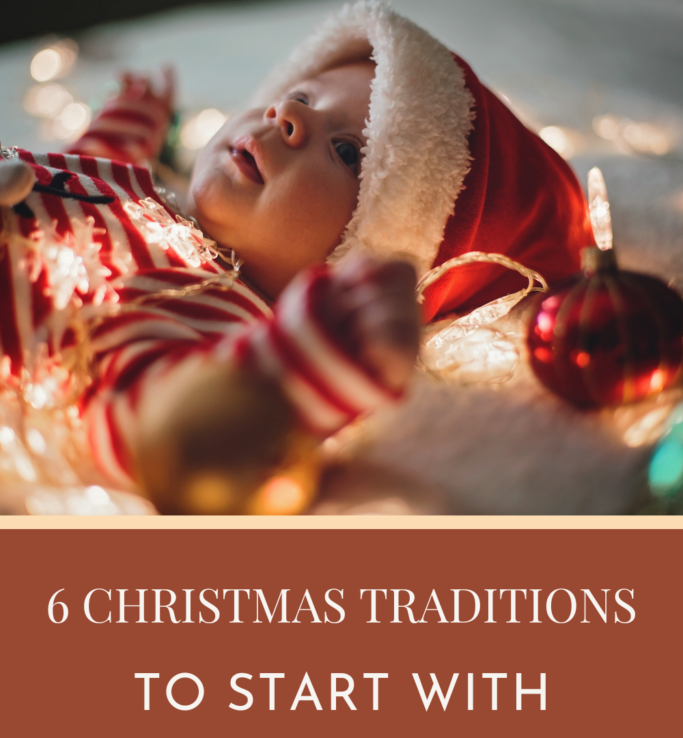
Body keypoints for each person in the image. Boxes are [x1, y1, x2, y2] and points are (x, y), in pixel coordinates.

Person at [0, 1, 594, 512]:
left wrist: (296, 365)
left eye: (345, 151)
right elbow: (83, 161)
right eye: (301, 95)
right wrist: (128, 122)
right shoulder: (143, 188)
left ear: (372, 241)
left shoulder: (210, 306)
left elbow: (159, 427)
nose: (288, 116)